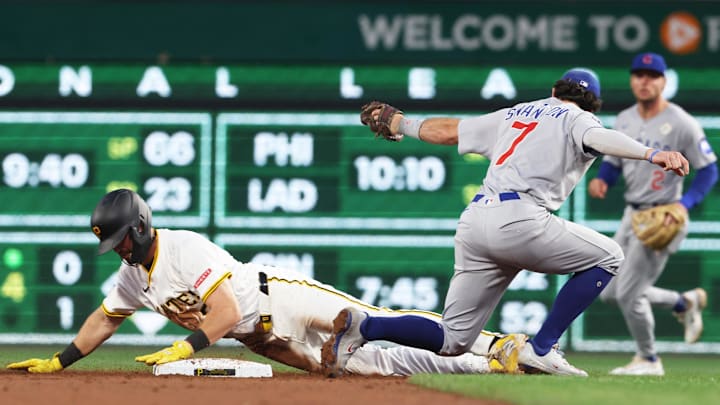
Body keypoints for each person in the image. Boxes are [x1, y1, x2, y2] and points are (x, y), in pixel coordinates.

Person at [321, 68, 691, 378]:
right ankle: (542, 348)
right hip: (521, 219)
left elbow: (451, 131)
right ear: (593, 103)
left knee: (453, 339)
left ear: (552, 91)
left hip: (476, 221)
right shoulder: (580, 118)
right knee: (609, 256)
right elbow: (598, 137)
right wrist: (651, 153)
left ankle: (364, 326)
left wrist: (403, 123)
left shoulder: (515, 113)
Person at [6, 188, 524, 376]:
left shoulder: (183, 247)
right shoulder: (131, 275)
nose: (117, 247)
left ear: (140, 226)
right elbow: (105, 317)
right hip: (265, 339)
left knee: (383, 325)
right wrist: (61, 360)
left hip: (283, 296)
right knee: (368, 368)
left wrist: (185, 347)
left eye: (120, 237)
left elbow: (226, 311)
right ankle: (489, 367)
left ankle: (501, 345)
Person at [588, 52, 718, 376]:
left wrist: (683, 206)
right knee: (609, 292)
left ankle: (648, 359)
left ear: (663, 81)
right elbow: (614, 160)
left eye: (651, 75)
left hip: (664, 216)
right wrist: (604, 179)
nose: (644, 81)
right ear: (632, 80)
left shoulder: (682, 121)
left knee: (629, 293)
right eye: (638, 74)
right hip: (631, 214)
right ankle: (682, 302)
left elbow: (709, 170)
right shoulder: (625, 119)